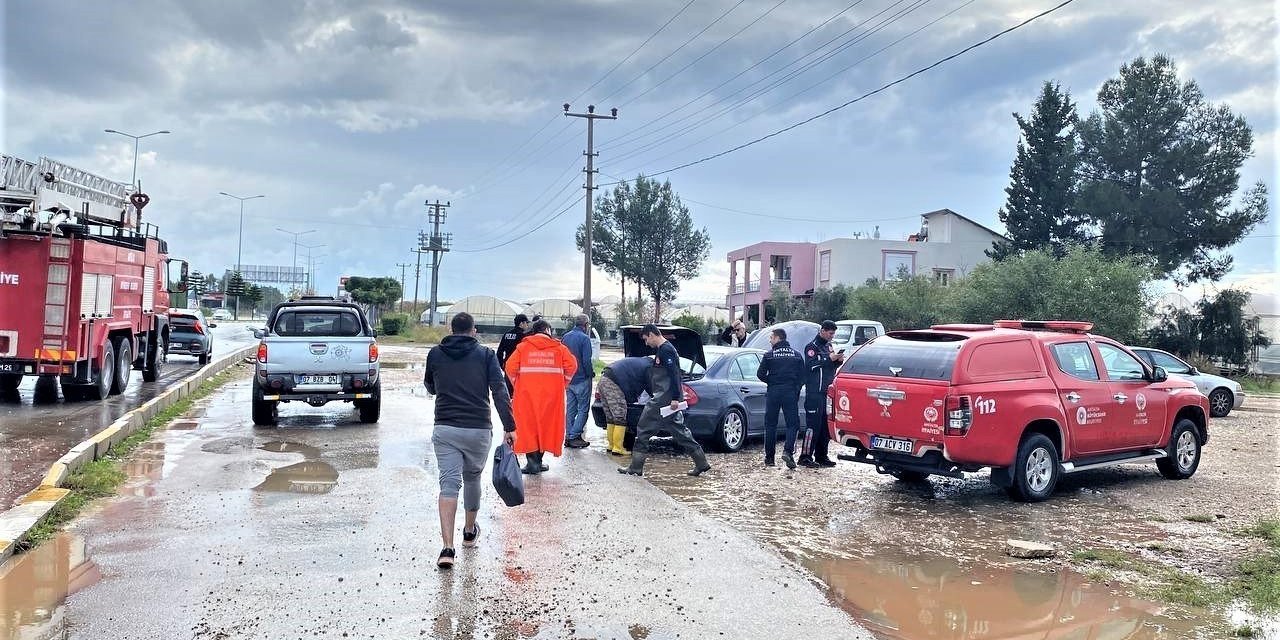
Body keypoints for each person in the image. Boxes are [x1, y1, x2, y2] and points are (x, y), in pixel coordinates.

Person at [423, 312, 516, 570]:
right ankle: (468, 531)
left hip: (445, 427)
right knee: (473, 478)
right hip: (477, 429)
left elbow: (430, 386)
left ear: (452, 330)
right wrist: (510, 426)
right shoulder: (485, 355)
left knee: (449, 484)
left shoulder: (435, 353)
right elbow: (500, 390)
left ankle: (447, 548)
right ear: (473, 331)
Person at [618, 325, 712, 477]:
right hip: (667, 399)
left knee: (643, 428)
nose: (646, 343)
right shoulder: (666, 349)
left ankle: (636, 467)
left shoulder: (666, 350)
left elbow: (674, 375)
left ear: (651, 335)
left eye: (646, 339)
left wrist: (675, 398)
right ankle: (701, 463)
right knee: (679, 431)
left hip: (664, 400)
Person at [505, 319, 577, 475]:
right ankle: (538, 461)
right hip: (552, 397)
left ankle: (533, 462)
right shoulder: (560, 349)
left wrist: (518, 384)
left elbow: (510, 367)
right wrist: (563, 383)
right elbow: (572, 366)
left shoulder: (523, 348)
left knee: (528, 427)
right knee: (546, 427)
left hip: (527, 396)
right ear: (547, 330)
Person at [756, 327, 805, 469]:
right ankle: (788, 452)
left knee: (770, 425)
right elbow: (803, 376)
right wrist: (796, 388)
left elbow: (760, 374)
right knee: (793, 424)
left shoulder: (769, 355)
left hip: (773, 392)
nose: (770, 340)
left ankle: (769, 458)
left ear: (778, 338)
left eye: (771, 338)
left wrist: (771, 382)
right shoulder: (796, 355)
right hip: (790, 391)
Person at [800, 320, 844, 468]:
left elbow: (829, 365)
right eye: (830, 333)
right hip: (814, 393)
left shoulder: (828, 346)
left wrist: (837, 361)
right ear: (823, 331)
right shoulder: (811, 347)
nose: (832, 336)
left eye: (833, 334)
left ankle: (821, 455)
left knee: (825, 426)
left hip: (827, 392)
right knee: (813, 426)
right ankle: (805, 456)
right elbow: (811, 365)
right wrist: (828, 359)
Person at [598, 356, 652, 455]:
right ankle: (618, 449)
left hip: (603, 380)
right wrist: (655, 397)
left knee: (611, 417)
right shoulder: (648, 366)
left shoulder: (639, 362)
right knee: (619, 417)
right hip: (613, 383)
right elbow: (649, 385)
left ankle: (611, 446)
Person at [561, 314, 595, 449]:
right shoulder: (585, 339)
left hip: (568, 379)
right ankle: (575, 436)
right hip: (581, 378)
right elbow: (586, 360)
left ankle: (568, 435)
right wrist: (589, 374)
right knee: (583, 409)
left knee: (570, 409)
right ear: (586, 325)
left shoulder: (565, 337)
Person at [496, 314, 530, 396]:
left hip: (507, 366)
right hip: (519, 368)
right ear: (521, 324)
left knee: (508, 393)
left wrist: (502, 365)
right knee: (518, 394)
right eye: (526, 323)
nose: (527, 325)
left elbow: (499, 352)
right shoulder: (523, 336)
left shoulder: (507, 334)